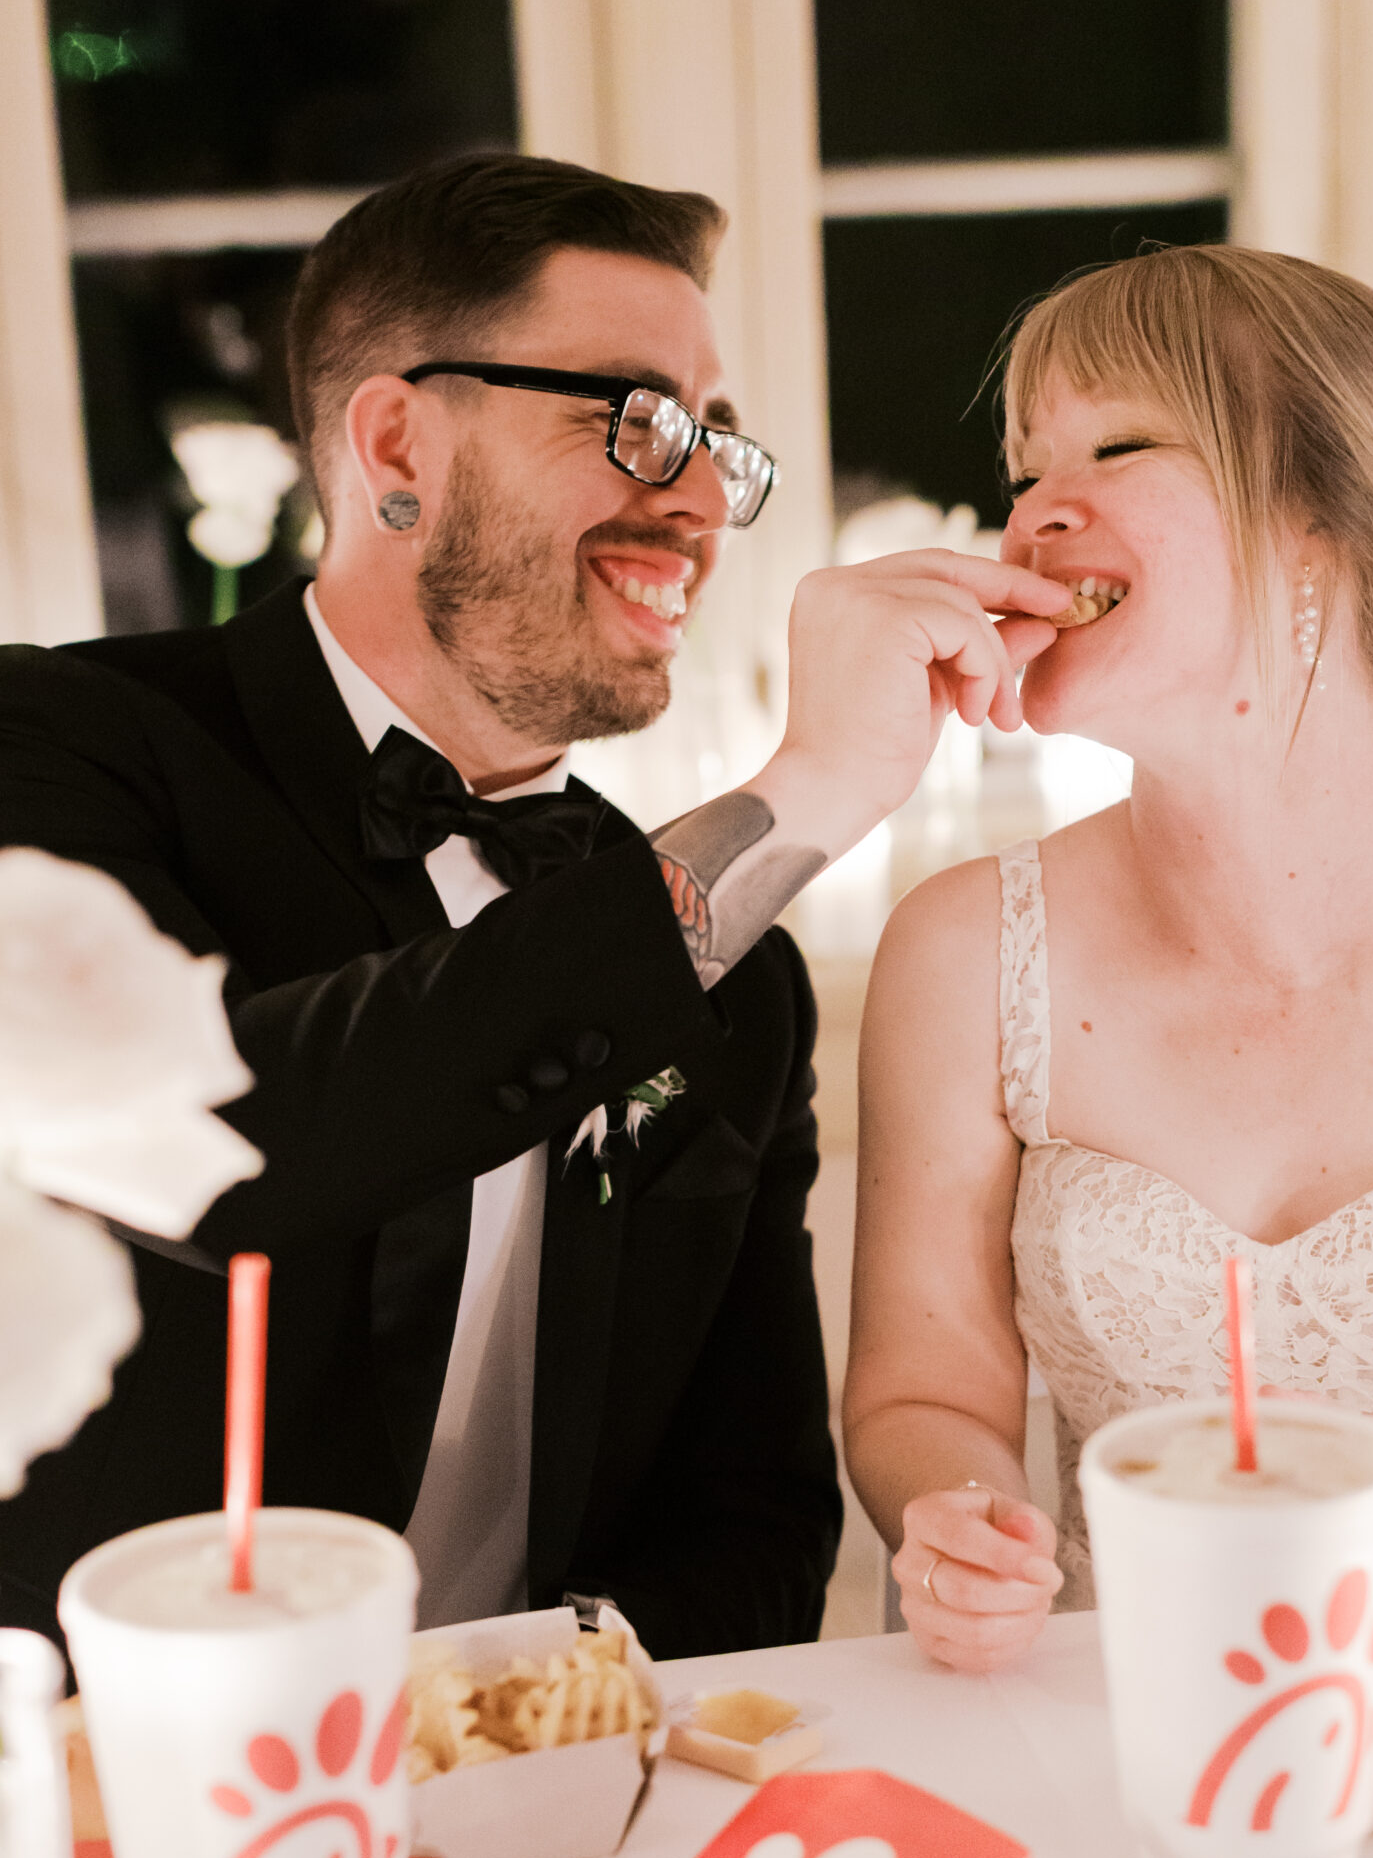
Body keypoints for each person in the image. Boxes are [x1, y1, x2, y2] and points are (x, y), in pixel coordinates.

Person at [0, 153, 1067, 1656]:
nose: (701, 500)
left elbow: (758, 1523)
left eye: (719, 444)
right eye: (637, 423)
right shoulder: (61, 746)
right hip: (101, 1794)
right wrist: (814, 787)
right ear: (396, 443)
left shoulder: (733, 971)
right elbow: (220, 1146)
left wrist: (555, 1739)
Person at [845, 243, 1373, 1674]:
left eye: (1115, 446)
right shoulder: (959, 947)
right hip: (1127, 1738)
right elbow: (919, 1387)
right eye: (1021, 476)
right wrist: (960, 1520)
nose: (1033, 517)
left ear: (1325, 517)